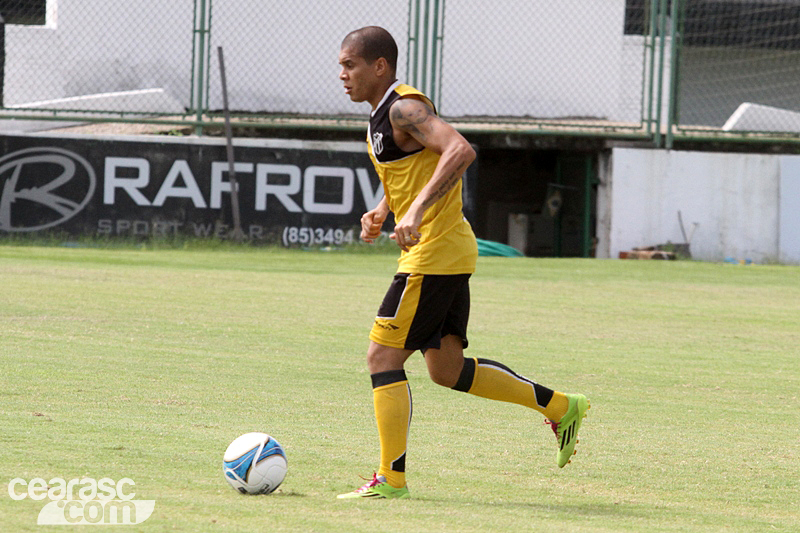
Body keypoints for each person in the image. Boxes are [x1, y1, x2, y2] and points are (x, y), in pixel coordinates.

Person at [336, 26, 589, 500]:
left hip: (433, 253)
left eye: (350, 65)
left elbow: (459, 150)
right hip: (446, 250)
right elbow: (413, 171)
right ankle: (560, 405)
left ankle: (391, 479)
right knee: (446, 369)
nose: (343, 75)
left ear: (380, 67)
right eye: (340, 67)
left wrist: (414, 211)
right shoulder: (379, 117)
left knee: (382, 357)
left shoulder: (404, 107)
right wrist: (385, 210)